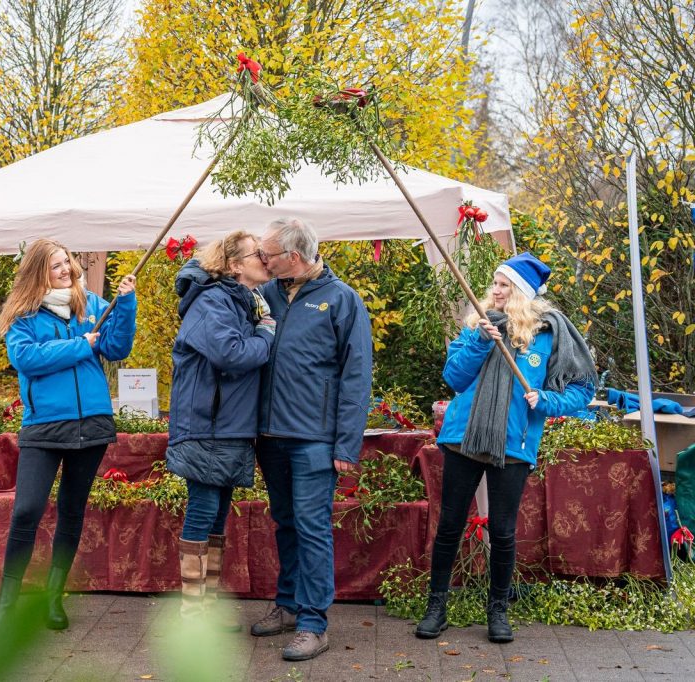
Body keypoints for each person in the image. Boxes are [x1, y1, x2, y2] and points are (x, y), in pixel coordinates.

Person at [415, 252, 596, 644]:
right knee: (449, 525)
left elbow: (583, 389)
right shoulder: (476, 327)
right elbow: (455, 379)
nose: (495, 291)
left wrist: (547, 401)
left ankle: (497, 610)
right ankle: (437, 607)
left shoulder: (548, 335)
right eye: (494, 284)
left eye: (504, 285)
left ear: (521, 294)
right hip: (463, 440)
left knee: (502, 530)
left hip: (515, 445)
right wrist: (481, 340)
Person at [0, 238, 136, 636]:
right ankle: (7, 606)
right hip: (45, 427)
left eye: (67, 263)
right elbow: (27, 359)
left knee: (72, 510)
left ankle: (54, 597)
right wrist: (77, 346)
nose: (66, 270)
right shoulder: (24, 316)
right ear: (40, 271)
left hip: (92, 424)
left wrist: (125, 305)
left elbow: (118, 346)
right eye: (56, 266)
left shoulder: (89, 306)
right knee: (26, 511)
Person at [249, 217, 373, 661]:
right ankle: (287, 605)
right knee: (284, 522)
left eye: (268, 254)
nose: (262, 260)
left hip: (314, 439)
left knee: (313, 526)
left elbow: (357, 375)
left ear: (294, 257)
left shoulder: (342, 300)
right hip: (269, 435)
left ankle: (312, 623)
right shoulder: (264, 295)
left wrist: (345, 445)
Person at [165, 230, 276, 627]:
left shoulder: (241, 300)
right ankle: (193, 612)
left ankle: (204, 609)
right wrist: (266, 334)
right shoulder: (213, 301)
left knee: (217, 514)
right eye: (256, 254)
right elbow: (231, 355)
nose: (265, 258)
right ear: (233, 265)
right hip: (207, 425)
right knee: (204, 509)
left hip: (226, 426)